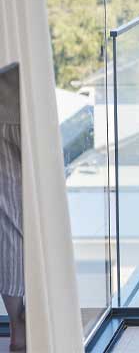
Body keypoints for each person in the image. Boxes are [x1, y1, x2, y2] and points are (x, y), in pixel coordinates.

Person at [0, 63, 24, 352]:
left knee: (9, 218)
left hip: (10, 105)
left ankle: (19, 326)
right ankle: (22, 325)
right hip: (20, 107)